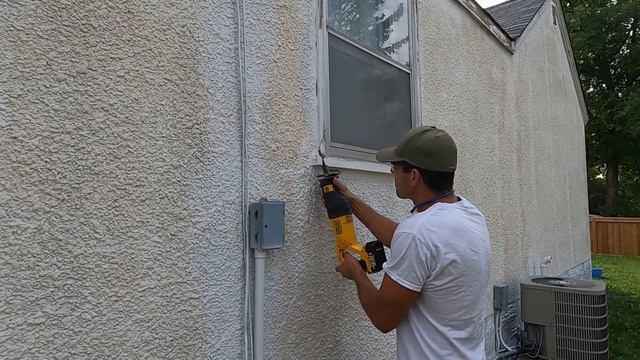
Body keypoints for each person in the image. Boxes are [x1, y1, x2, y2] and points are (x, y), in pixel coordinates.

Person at [333, 126, 491, 359]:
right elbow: (413, 242)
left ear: (414, 176)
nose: (392, 173)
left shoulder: (418, 234)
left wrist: (357, 273)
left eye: (396, 168)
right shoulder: (469, 213)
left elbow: (383, 318)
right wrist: (352, 201)